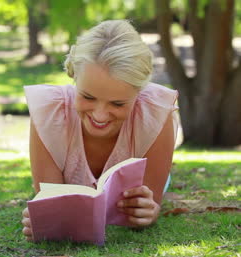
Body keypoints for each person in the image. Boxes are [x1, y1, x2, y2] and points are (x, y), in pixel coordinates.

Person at [21, 20, 179, 241]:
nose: (100, 115)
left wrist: (148, 212)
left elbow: (149, 207)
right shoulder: (50, 112)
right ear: (74, 76)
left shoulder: (156, 112)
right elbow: (51, 203)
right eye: (88, 97)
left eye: (117, 104)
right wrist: (44, 219)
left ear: (139, 94)